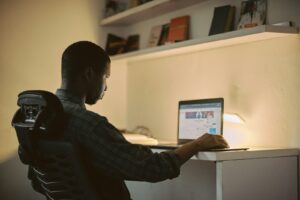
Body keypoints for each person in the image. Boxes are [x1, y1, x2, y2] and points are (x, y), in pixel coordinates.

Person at [30, 41, 229, 199]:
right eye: (105, 77)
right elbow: (152, 168)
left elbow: (37, 181)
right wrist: (198, 143)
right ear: (89, 74)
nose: (105, 87)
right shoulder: (89, 124)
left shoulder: (42, 116)